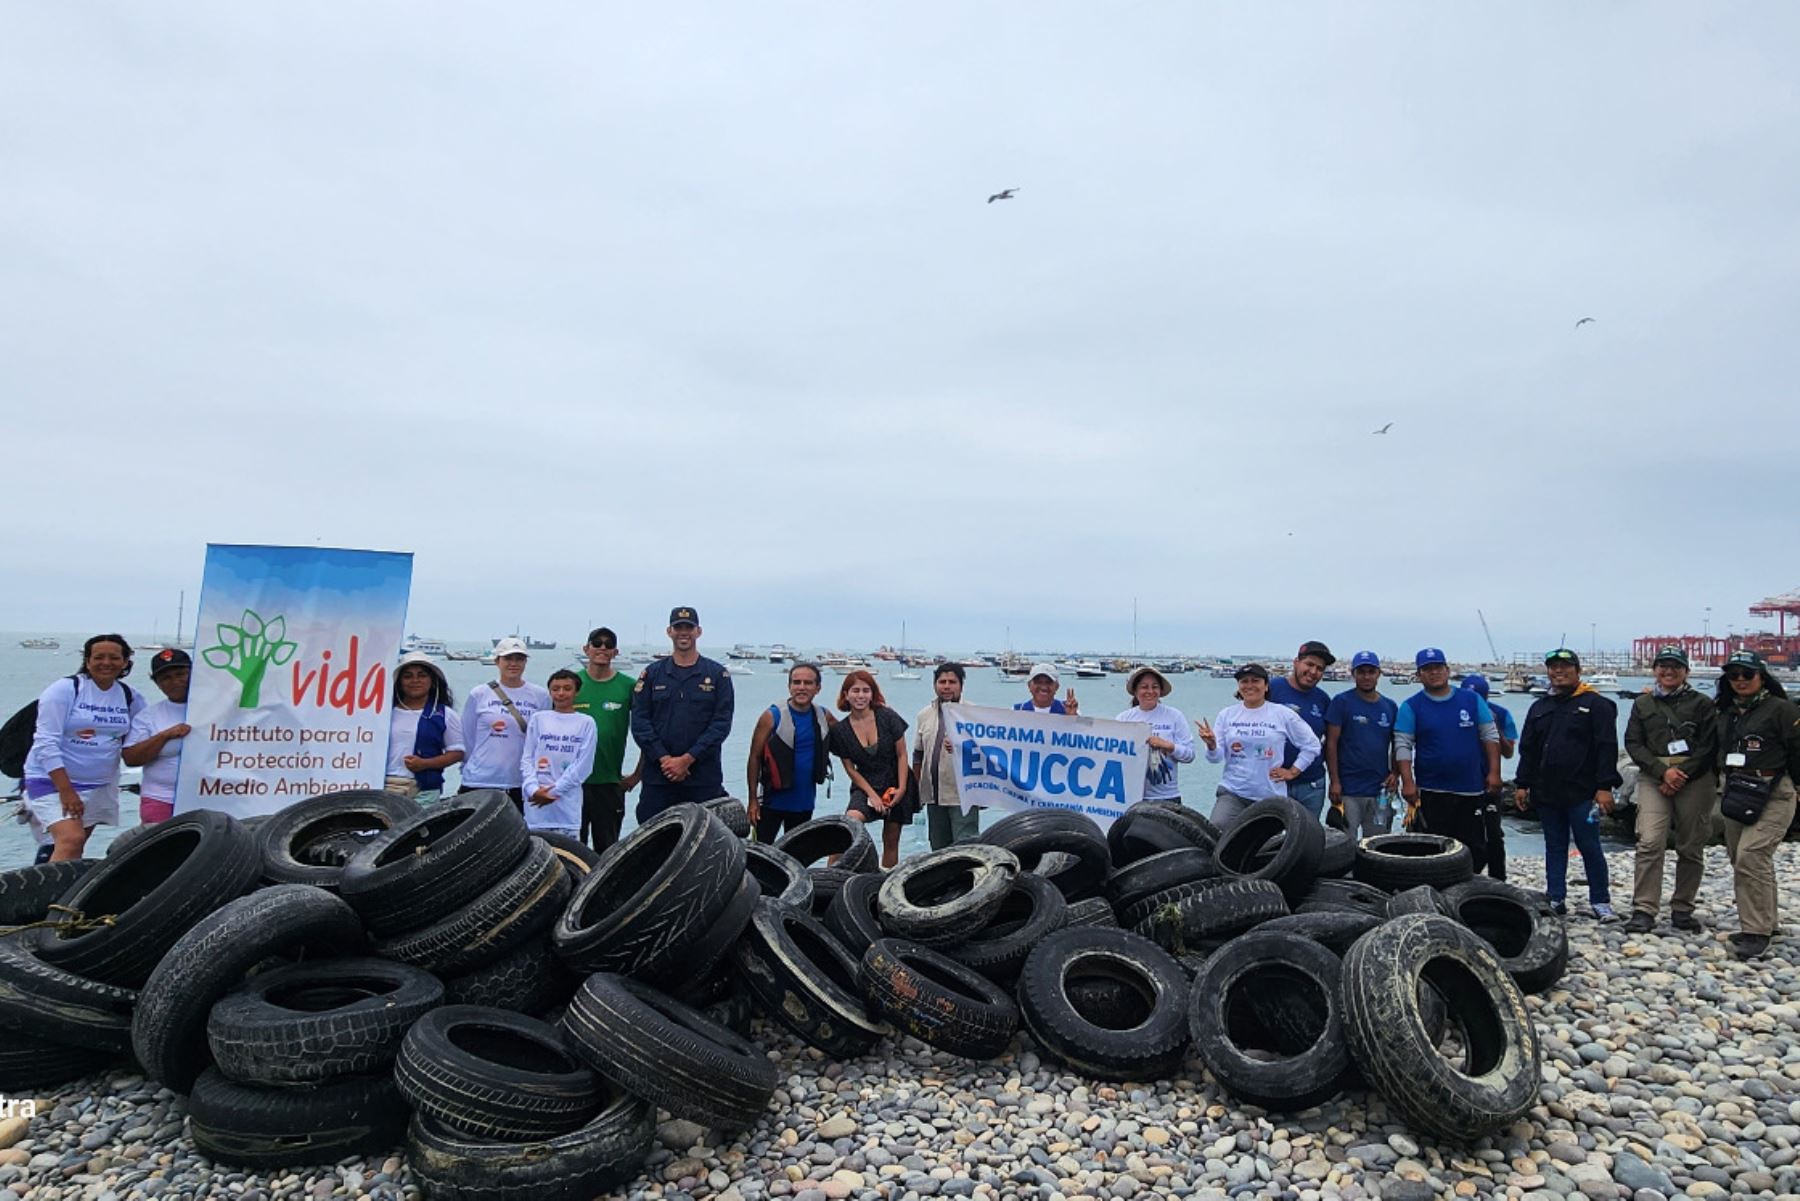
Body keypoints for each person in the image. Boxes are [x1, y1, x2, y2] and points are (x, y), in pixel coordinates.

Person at [1515, 649, 1622, 922]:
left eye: (1565, 666)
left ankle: (1600, 901)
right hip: (1547, 791)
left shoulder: (1597, 705)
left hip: (1583, 793)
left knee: (1589, 846)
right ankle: (1556, 897)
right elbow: (1528, 750)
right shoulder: (1539, 707)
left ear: (1578, 670)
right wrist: (1522, 784)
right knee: (1554, 845)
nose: (1558, 672)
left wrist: (1604, 787)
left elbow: (1607, 748)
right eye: (1553, 667)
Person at [23, 634, 146, 861]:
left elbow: (138, 740)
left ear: (125, 662)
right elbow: (45, 742)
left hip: (100, 785)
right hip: (52, 782)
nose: (106, 663)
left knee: (72, 848)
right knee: (71, 840)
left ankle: (61, 892)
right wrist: (66, 790)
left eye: (114, 657)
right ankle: (51, 897)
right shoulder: (65, 690)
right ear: (87, 661)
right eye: (98, 657)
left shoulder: (131, 697)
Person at [1622, 645, 1718, 935]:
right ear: (1654, 670)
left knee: (1691, 845)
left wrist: (1681, 774)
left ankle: (1683, 907)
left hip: (1695, 778)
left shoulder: (1702, 704)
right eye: (1663, 666)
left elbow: (1709, 746)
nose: (1668, 671)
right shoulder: (1643, 704)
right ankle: (1644, 908)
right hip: (1655, 776)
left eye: (1675, 666)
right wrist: (1663, 772)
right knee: (1650, 840)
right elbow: (1633, 742)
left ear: (1685, 672)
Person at [1711, 650, 1800, 961]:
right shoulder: (1725, 712)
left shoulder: (1782, 710)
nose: (1740, 680)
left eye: (1746, 674)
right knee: (1741, 858)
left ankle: (1756, 932)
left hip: (1775, 790)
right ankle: (1769, 921)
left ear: (1761, 676)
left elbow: (1797, 749)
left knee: (1752, 855)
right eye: (1733, 675)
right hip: (1737, 789)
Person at [1395, 647, 1501, 868]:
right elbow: (1403, 745)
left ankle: (1469, 890)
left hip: (1470, 788)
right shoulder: (1411, 706)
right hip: (1432, 790)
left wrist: (1494, 772)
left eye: (1438, 668)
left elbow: (1490, 736)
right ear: (1419, 675)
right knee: (1435, 848)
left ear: (1447, 670)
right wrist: (1407, 781)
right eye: (1427, 669)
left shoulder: (1471, 700)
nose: (1434, 673)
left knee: (1476, 848)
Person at [630, 607, 735, 821]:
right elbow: (640, 722)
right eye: (678, 627)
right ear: (669, 631)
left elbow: (721, 724)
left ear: (699, 631)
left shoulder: (717, 675)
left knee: (706, 845)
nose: (683, 632)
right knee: (654, 844)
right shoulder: (652, 674)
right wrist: (665, 759)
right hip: (659, 778)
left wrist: (687, 759)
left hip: (702, 778)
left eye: (689, 627)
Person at [1199, 662, 1321, 827]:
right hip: (1233, 792)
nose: (1249, 686)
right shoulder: (1227, 715)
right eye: (1244, 681)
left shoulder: (1282, 714)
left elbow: (1312, 745)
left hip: (1270, 796)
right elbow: (1215, 758)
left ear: (1266, 686)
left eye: (1255, 681)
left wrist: (1293, 771)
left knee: (1266, 847)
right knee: (1216, 829)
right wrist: (1212, 745)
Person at [826, 669, 912, 868]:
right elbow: (850, 769)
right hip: (865, 783)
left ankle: (885, 883)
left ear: (872, 694)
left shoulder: (887, 716)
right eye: (855, 691)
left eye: (866, 690)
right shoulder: (840, 730)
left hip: (896, 780)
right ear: (846, 694)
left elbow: (902, 754)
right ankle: (828, 876)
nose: (860, 696)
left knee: (891, 840)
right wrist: (872, 795)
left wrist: (902, 788)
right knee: (848, 825)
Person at [746, 662, 834, 843]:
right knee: (760, 855)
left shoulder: (824, 716)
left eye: (808, 683)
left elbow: (850, 740)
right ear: (789, 686)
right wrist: (752, 800)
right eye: (796, 682)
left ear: (817, 688)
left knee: (796, 857)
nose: (801, 687)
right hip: (771, 803)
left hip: (804, 804)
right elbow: (754, 757)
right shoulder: (771, 716)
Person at [459, 637, 551, 810]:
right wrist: (467, 766)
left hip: (519, 782)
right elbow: (467, 736)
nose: (513, 664)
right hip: (479, 780)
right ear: (497, 661)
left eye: (519, 659)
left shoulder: (540, 696)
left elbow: (541, 741)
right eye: (508, 658)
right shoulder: (479, 694)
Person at [573, 627, 641, 851]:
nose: (602, 648)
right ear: (586, 648)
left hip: (610, 785)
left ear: (615, 652)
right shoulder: (570, 685)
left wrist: (637, 775)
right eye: (597, 643)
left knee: (608, 851)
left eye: (608, 644)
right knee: (573, 850)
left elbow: (647, 731)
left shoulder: (629, 686)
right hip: (572, 785)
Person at [1324, 651, 1398, 838]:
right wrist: (1334, 781)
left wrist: (1395, 773)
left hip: (1379, 790)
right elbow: (1331, 743)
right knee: (1343, 844)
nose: (1366, 676)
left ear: (1378, 674)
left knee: (1376, 845)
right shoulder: (1341, 702)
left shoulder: (1389, 706)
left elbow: (1397, 744)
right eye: (1361, 672)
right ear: (1353, 674)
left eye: (1371, 672)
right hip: (1348, 789)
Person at [519, 670, 598, 839]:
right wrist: (533, 790)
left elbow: (583, 767)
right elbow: (527, 758)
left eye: (567, 688)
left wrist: (553, 793)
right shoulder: (539, 719)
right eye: (555, 689)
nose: (561, 693)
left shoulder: (586, 723)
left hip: (567, 812)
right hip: (535, 811)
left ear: (576, 692)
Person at [122, 647, 192, 825]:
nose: (175, 681)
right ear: (157, 683)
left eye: (181, 673)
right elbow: (131, 758)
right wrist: (165, 736)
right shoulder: (148, 716)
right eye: (165, 678)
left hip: (211, 797)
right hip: (161, 799)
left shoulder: (221, 709)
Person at [383, 652, 464, 803]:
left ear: (432, 681)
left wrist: (426, 764)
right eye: (408, 676)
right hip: (384, 787)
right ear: (399, 681)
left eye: (422, 675)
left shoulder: (444, 715)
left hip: (424, 792)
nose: (415, 680)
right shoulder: (384, 713)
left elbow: (457, 752)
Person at [914, 662, 980, 849]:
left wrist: (962, 747)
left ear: (961, 685)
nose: (947, 686)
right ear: (935, 685)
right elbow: (918, 755)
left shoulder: (975, 714)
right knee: (938, 849)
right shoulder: (924, 715)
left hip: (963, 794)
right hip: (933, 795)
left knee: (966, 846)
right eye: (942, 681)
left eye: (952, 682)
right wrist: (916, 790)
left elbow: (987, 754)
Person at [1268, 641, 1335, 820]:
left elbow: (1330, 743)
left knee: (1307, 840)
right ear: (1296, 662)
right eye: (1309, 664)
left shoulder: (1323, 700)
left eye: (1320, 669)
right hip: (1274, 782)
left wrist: (1335, 782)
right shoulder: (1271, 689)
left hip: (1312, 784)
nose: (1313, 672)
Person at [1460, 673, 1517, 880]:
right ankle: (1465, 875)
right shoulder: (1455, 712)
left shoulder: (1501, 713)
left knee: (1493, 835)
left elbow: (1509, 752)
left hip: (1488, 784)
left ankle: (1498, 878)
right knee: (1464, 834)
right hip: (1461, 784)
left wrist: (1495, 728)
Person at [1116, 665, 1196, 805]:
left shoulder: (1174, 716)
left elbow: (1190, 755)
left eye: (1155, 687)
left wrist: (1168, 746)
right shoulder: (1123, 718)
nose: (1150, 691)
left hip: (1168, 796)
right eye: (1144, 687)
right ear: (1135, 691)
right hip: (1132, 796)